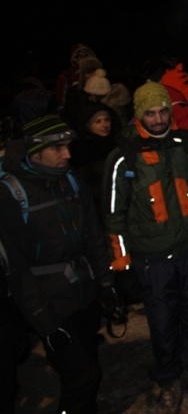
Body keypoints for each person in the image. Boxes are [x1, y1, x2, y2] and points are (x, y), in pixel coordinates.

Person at [103, 82, 188, 411]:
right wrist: (122, 265)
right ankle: (168, 378)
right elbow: (114, 215)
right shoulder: (124, 156)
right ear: (138, 115)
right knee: (162, 323)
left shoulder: (187, 145)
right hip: (152, 258)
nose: (159, 119)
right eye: (150, 113)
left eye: (163, 111)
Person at [0, 114, 114, 413]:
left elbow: (93, 234)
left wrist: (105, 282)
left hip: (84, 291)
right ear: (35, 151)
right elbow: (16, 269)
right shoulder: (10, 195)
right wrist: (44, 322)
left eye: (68, 146)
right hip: (50, 301)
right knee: (82, 376)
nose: (67, 154)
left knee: (88, 366)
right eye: (58, 148)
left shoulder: (70, 180)